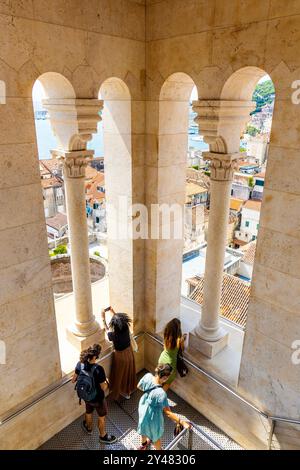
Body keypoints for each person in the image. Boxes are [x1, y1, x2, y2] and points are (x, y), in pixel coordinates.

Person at [137, 364, 190, 450]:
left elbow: (139, 386)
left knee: (143, 426)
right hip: (153, 417)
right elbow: (168, 413)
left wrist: (149, 397)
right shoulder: (161, 393)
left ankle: (143, 445)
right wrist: (182, 422)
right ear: (165, 378)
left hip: (143, 407)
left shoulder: (147, 376)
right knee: (156, 436)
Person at [72, 343, 117, 444]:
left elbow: (73, 380)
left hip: (86, 396)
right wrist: (107, 381)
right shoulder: (98, 369)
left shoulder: (80, 364)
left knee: (88, 411)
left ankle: (89, 428)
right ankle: (103, 436)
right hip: (98, 399)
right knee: (101, 417)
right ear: (96, 356)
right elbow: (103, 387)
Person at [101, 306, 137, 400]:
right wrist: (114, 312)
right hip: (129, 353)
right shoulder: (126, 329)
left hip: (121, 357)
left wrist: (103, 318)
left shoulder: (114, 335)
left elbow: (107, 329)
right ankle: (128, 391)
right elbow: (121, 322)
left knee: (121, 375)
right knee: (128, 373)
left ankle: (123, 391)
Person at [158, 318, 187, 391]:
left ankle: (152, 395)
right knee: (166, 385)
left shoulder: (166, 337)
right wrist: (183, 339)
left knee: (159, 381)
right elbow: (182, 349)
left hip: (162, 359)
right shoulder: (178, 341)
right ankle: (158, 400)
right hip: (170, 365)